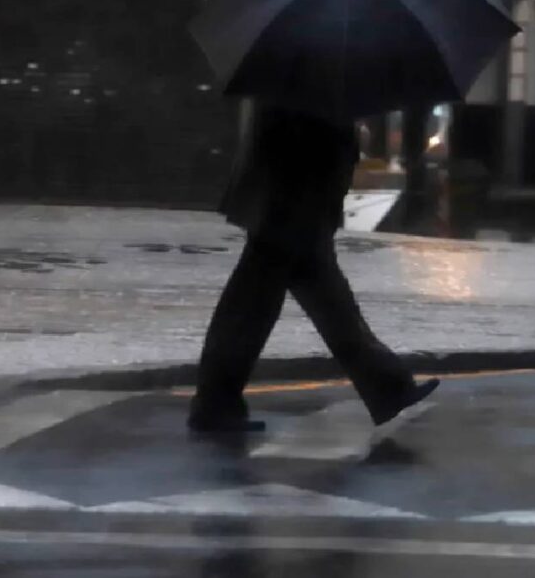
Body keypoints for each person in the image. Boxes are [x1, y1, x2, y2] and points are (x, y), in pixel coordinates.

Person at [188, 103, 438, 433]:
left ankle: (388, 387)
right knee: (257, 308)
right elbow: (307, 146)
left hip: (291, 206)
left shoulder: (307, 81)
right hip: (289, 206)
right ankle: (213, 405)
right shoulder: (310, 88)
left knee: (301, 305)